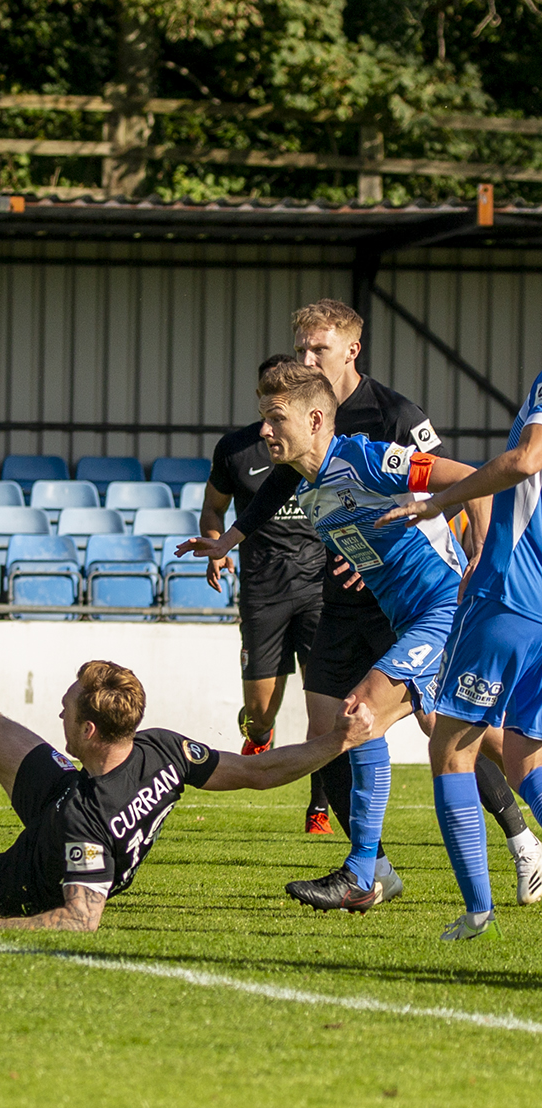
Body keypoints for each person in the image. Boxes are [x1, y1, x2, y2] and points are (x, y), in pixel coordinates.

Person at [212, 300, 537, 907]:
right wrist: (227, 539)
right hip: (407, 619)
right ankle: (376, 869)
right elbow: (269, 506)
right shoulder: (306, 484)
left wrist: (478, 562)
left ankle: (369, 871)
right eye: (262, 417)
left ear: (314, 420)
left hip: (442, 609)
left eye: (274, 418)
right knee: (449, 734)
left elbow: (467, 475)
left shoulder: (365, 454)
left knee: (368, 717)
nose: (262, 432)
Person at [0, 660, 374, 932]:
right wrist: (337, 741)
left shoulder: (83, 821)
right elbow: (257, 770)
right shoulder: (161, 747)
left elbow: (81, 918)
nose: (58, 715)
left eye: (66, 710)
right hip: (70, 785)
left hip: (31, 876)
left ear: (88, 730)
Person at [379, 364, 542, 937]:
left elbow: (525, 459)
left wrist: (438, 501)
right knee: (523, 750)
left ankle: (477, 910)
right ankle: (527, 860)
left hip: (512, 595)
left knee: (450, 743)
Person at [201, 354, 328, 832]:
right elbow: (213, 509)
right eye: (266, 400)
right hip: (262, 591)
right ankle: (261, 732)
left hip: (321, 588)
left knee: (325, 707)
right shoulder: (236, 450)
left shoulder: (322, 450)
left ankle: (319, 808)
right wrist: (217, 548)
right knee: (259, 712)